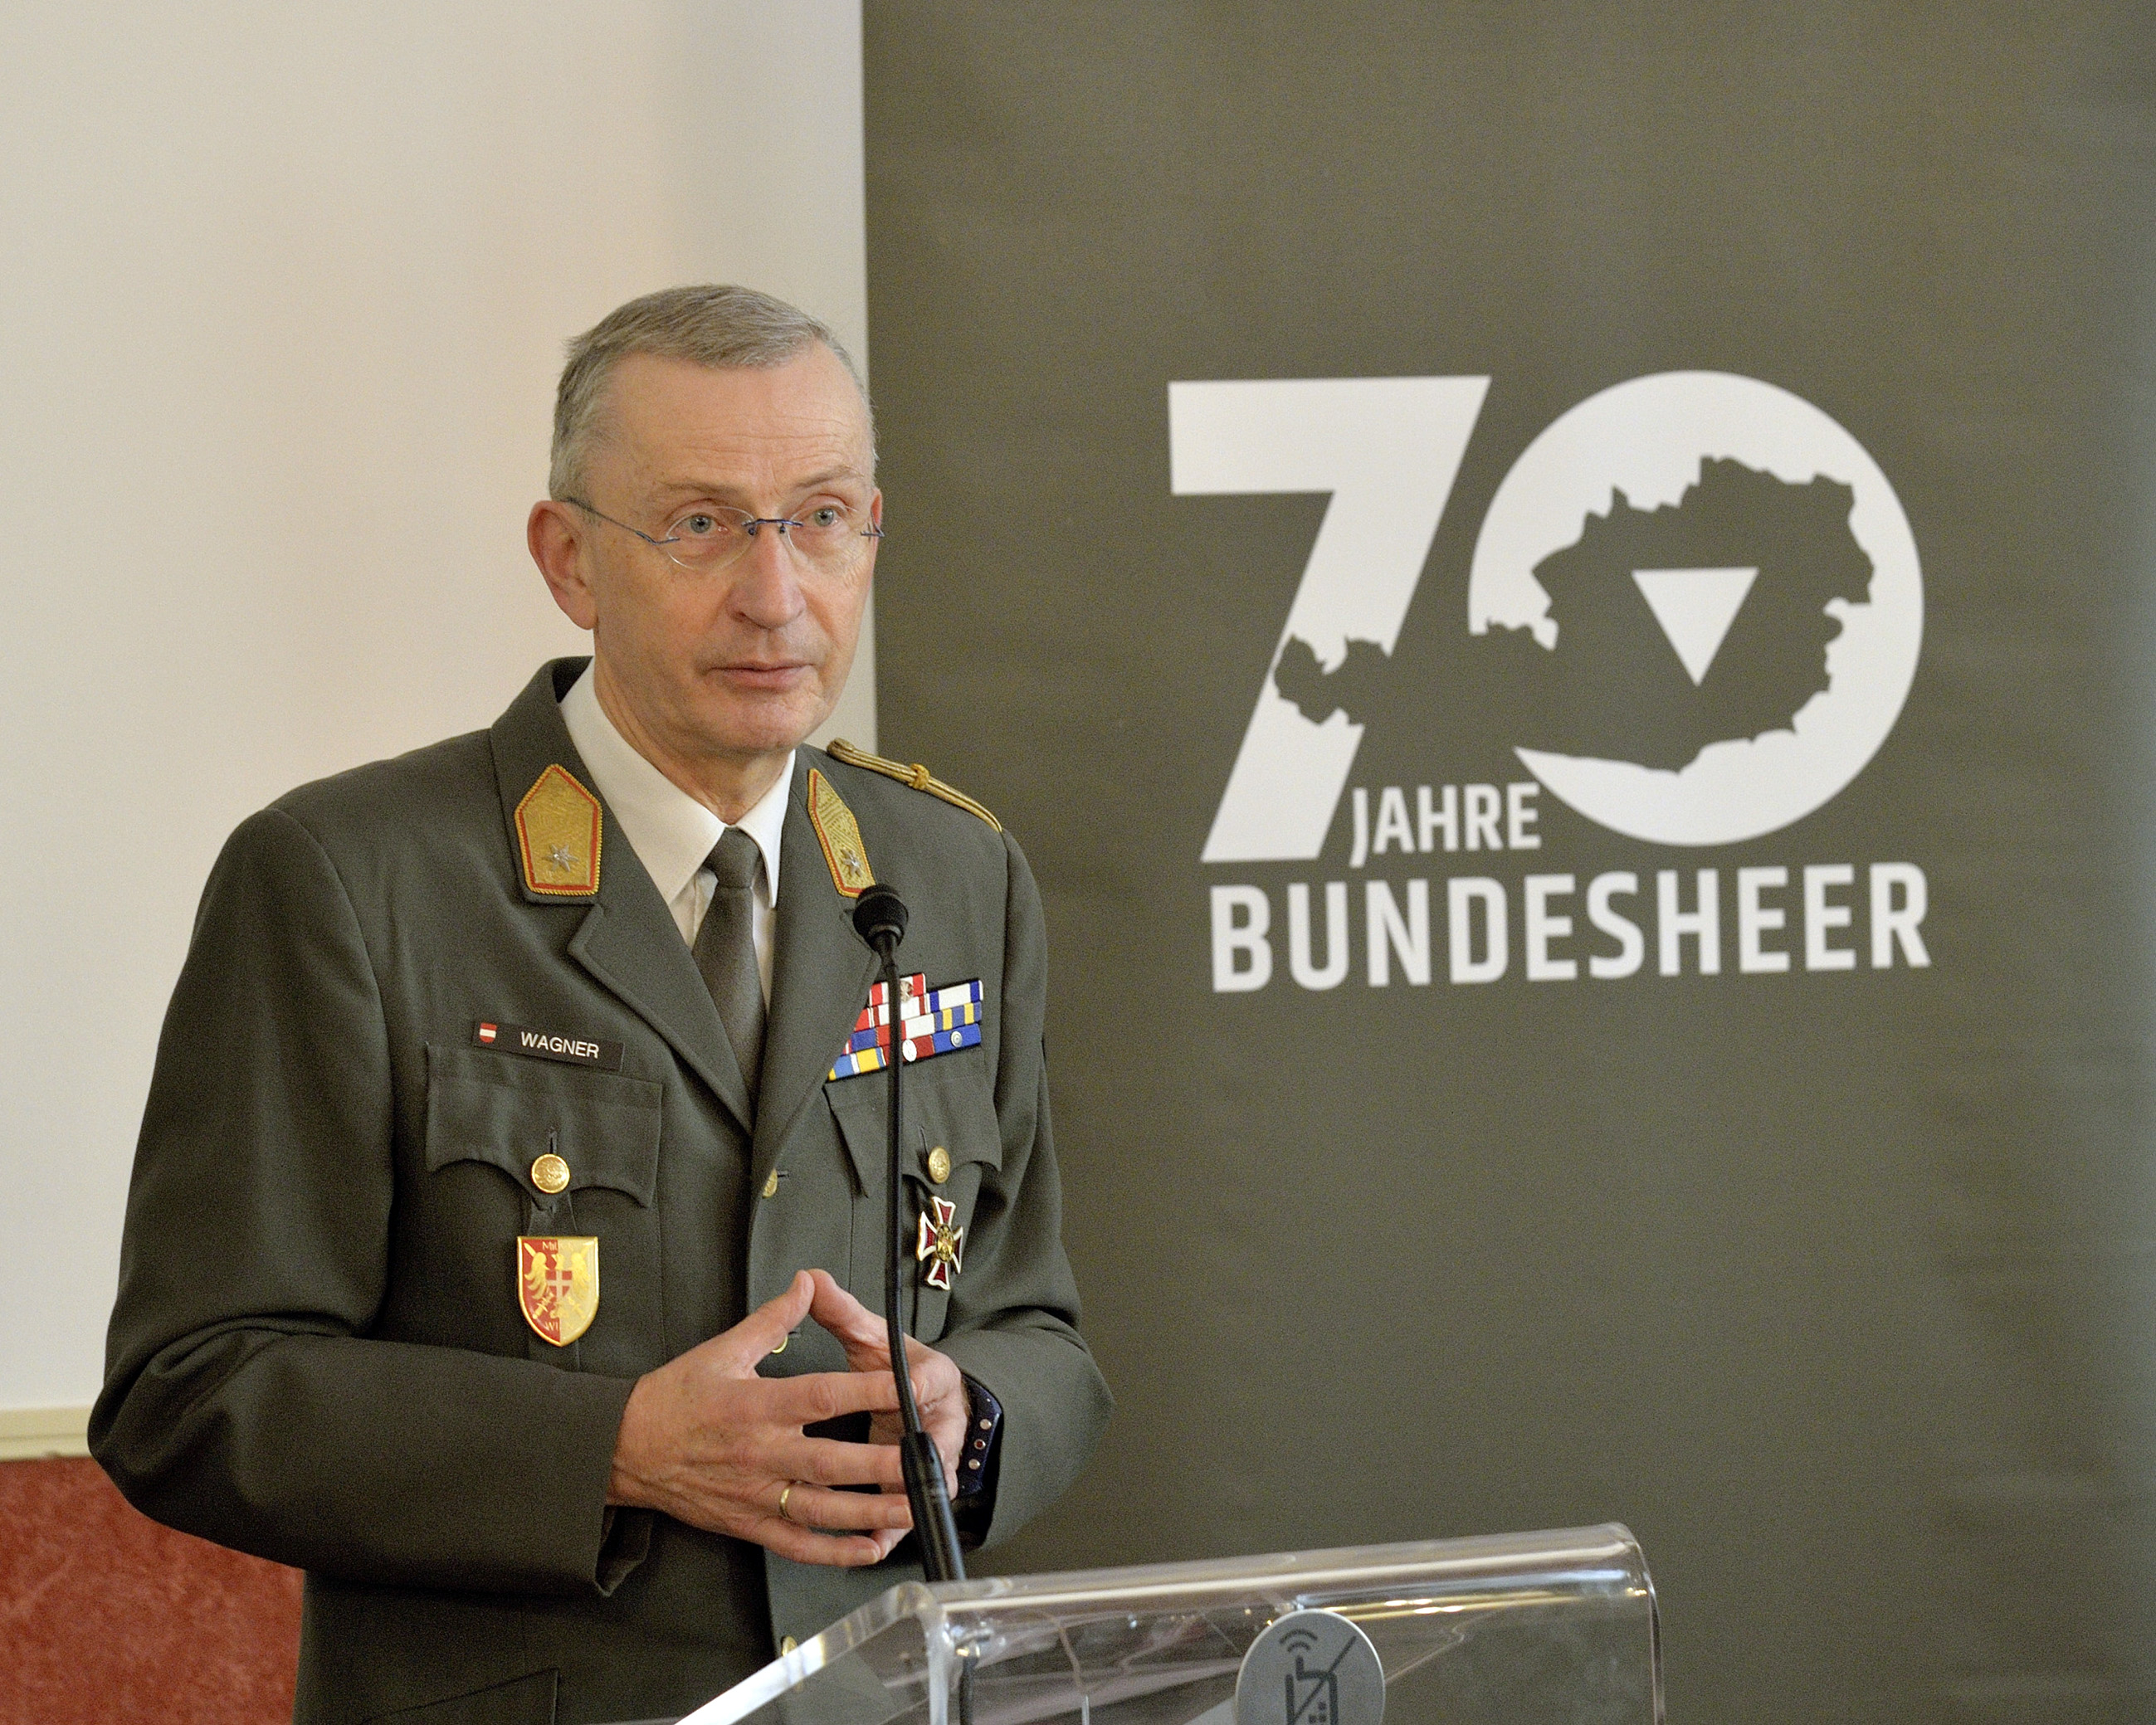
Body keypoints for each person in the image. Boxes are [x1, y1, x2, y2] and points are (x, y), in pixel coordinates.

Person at [91, 285, 1110, 1725]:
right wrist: (615, 1446)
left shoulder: (950, 875)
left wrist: (971, 1417)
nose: (776, 594)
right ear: (568, 559)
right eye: (701, 524)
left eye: (822, 519)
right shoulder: (350, 878)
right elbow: (190, 1392)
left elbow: (1037, 1326)